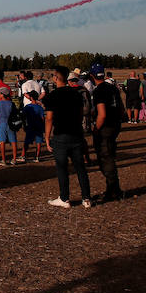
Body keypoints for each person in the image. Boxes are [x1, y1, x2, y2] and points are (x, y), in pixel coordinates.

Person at [43, 66, 91, 209]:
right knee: (80, 167)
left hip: (61, 135)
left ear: (56, 78)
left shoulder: (53, 96)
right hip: (76, 134)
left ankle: (64, 198)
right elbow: (81, 113)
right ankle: (86, 198)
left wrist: (47, 136)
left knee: (62, 168)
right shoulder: (76, 94)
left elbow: (49, 118)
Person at [90, 63, 124, 202]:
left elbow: (102, 114)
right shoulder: (113, 88)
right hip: (115, 124)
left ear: (92, 76)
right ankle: (112, 189)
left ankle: (114, 190)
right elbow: (121, 108)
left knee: (105, 158)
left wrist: (96, 129)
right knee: (110, 154)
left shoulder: (99, 91)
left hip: (105, 127)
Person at [0, 85, 19, 166]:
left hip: (2, 124)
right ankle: (14, 159)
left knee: (2, 142)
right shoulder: (11, 104)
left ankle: (4, 160)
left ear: (2, 94)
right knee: (13, 142)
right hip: (11, 124)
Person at [21, 90, 45, 163]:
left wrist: (24, 125)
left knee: (27, 142)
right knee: (39, 141)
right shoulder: (40, 107)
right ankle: (37, 157)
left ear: (30, 98)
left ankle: (23, 156)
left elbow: (23, 117)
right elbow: (42, 118)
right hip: (38, 126)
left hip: (30, 126)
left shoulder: (28, 107)